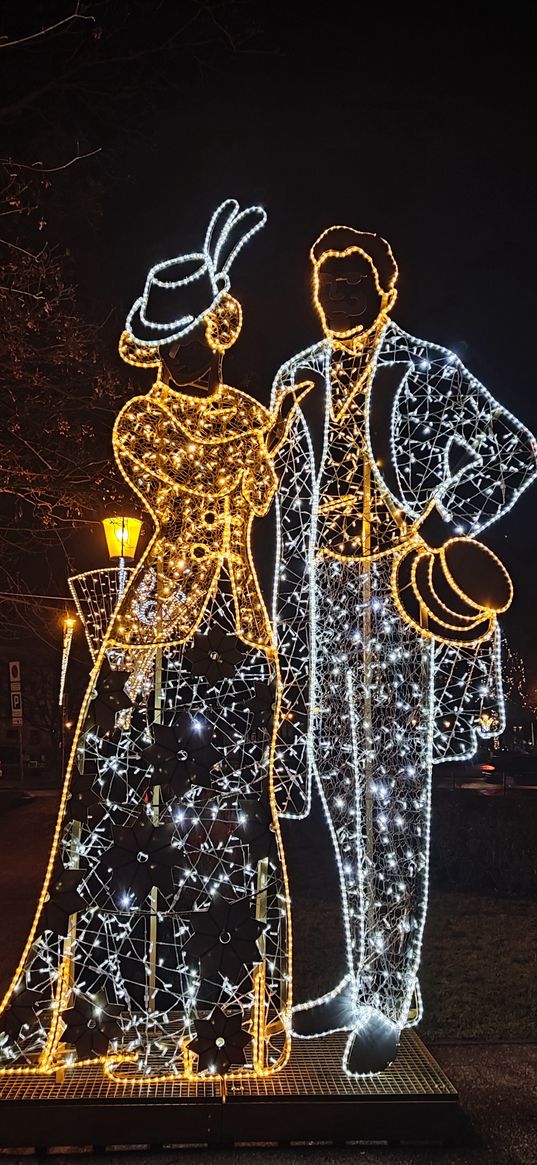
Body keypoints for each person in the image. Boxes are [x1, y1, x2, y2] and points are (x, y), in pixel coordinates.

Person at [0, 200, 309, 1081]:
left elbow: (253, 502)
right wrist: (268, 440)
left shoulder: (248, 413)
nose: (187, 354)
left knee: (225, 830)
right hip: (153, 643)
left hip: (236, 635)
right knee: (118, 821)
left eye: (195, 335)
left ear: (217, 328)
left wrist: (271, 437)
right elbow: (204, 498)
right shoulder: (143, 421)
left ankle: (219, 1026)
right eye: (170, 342)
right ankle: (118, 1016)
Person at [271, 225, 537, 1074]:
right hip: (322, 593)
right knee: (348, 800)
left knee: (390, 797)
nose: (339, 294)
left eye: (354, 280)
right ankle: (363, 976)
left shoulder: (424, 367)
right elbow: (283, 512)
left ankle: (391, 991)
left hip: (400, 595)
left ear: (385, 286)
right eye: (328, 282)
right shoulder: (294, 376)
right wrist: (284, 619)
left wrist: (435, 527)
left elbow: (513, 449)